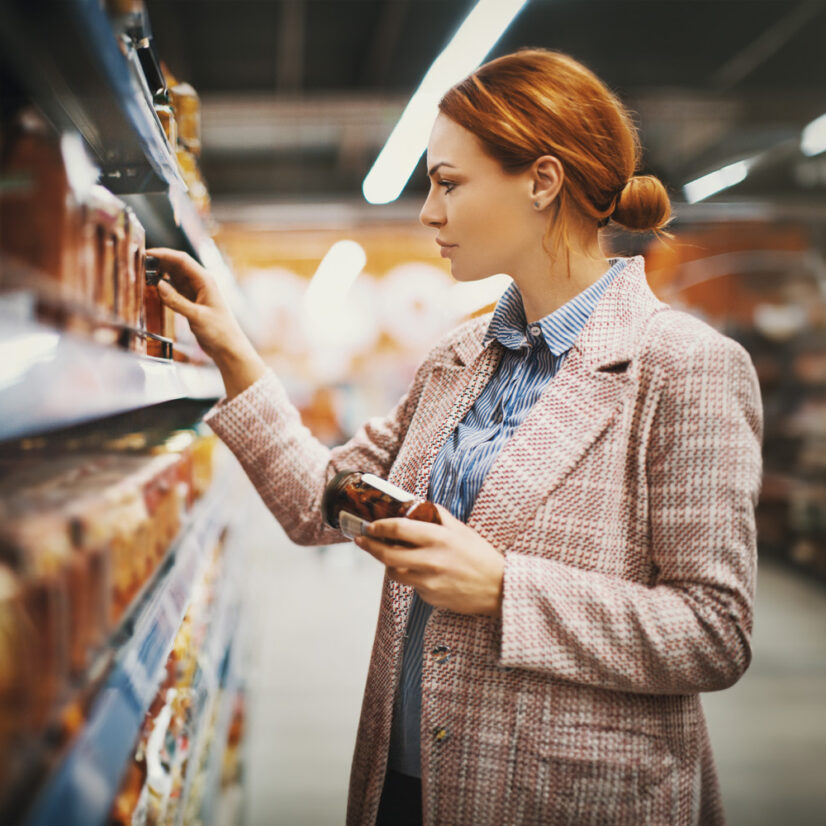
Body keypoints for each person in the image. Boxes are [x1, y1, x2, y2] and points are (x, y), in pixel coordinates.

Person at [149, 48, 762, 826]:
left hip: (565, 797)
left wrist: (508, 591)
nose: (427, 213)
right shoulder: (457, 359)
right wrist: (232, 350)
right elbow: (323, 502)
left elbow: (714, 633)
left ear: (542, 182)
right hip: (408, 782)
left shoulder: (685, 367)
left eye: (448, 183)